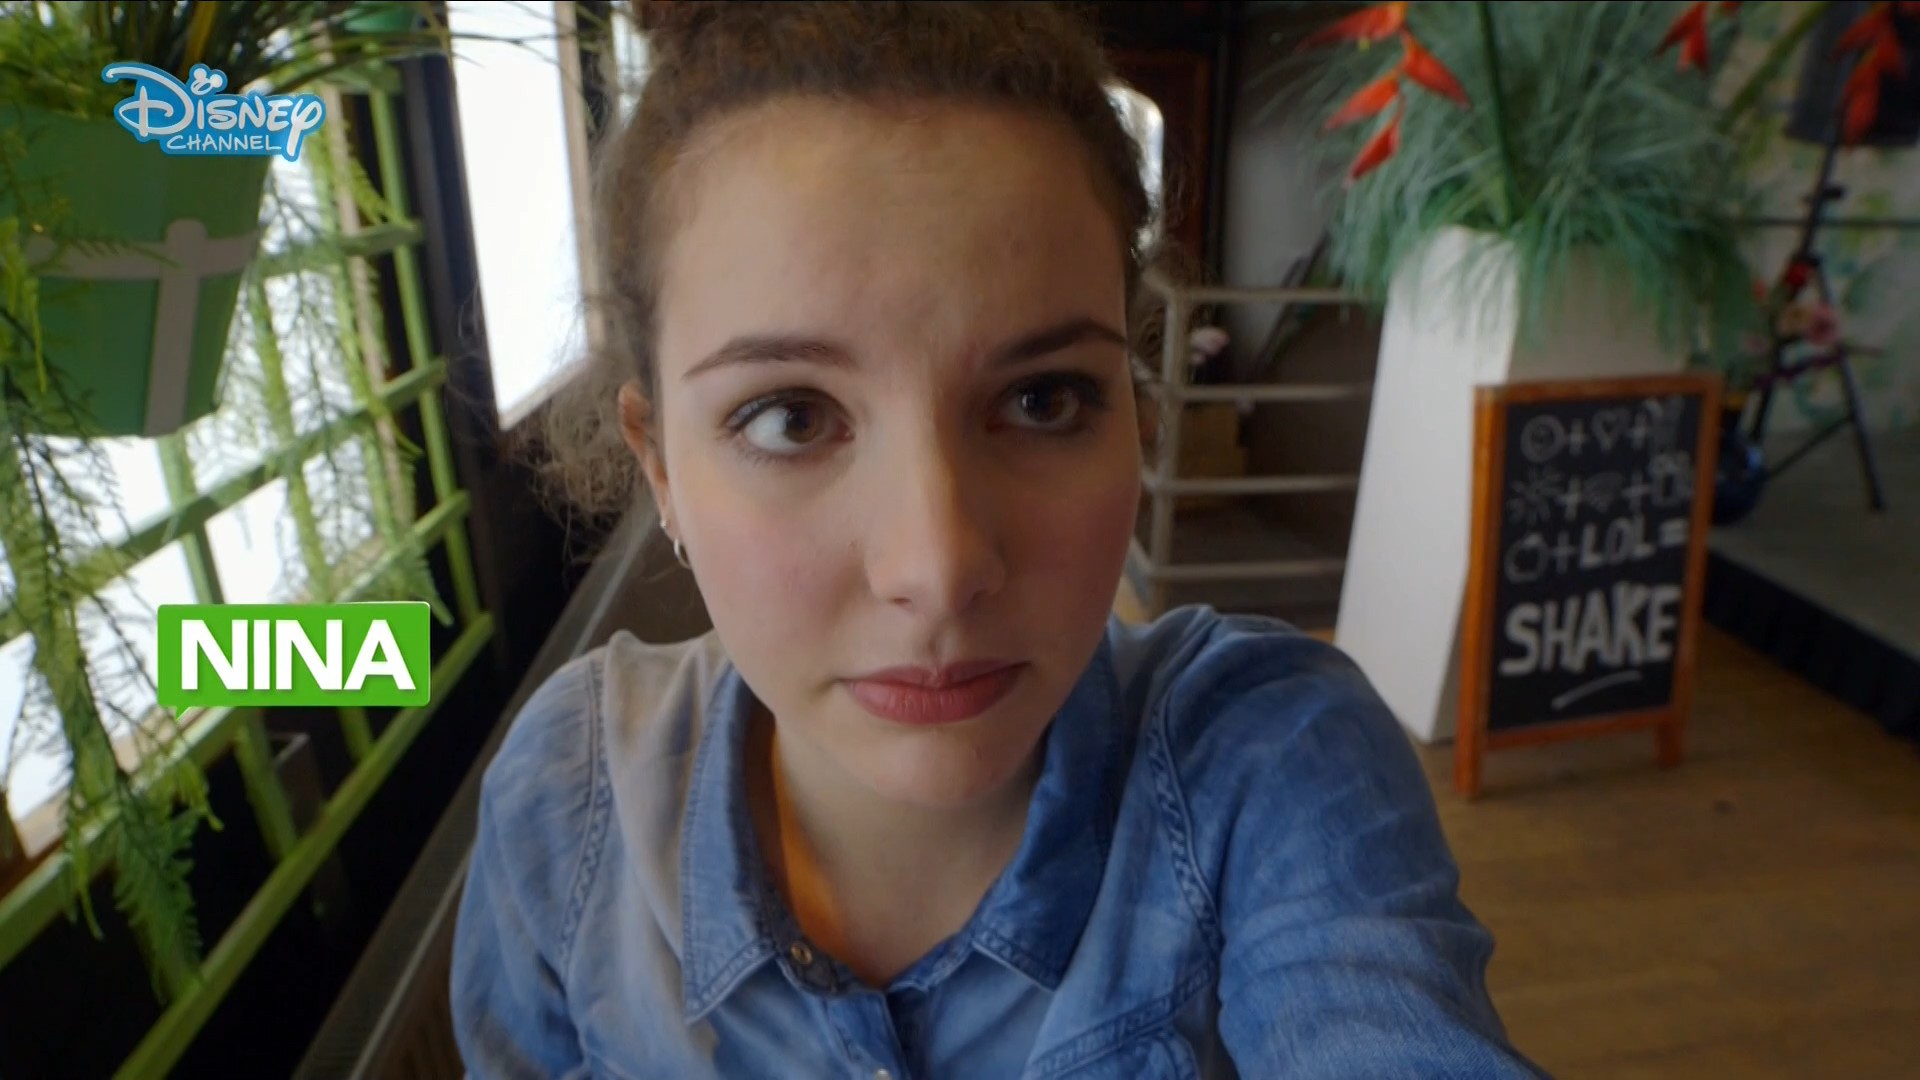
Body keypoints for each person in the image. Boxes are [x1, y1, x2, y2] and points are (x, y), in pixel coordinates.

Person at [451, 3, 1547, 1077]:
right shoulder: (566, 807)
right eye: (791, 417)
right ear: (660, 468)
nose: (937, 568)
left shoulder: (1268, 765)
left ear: (1138, 414)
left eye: (1042, 400)